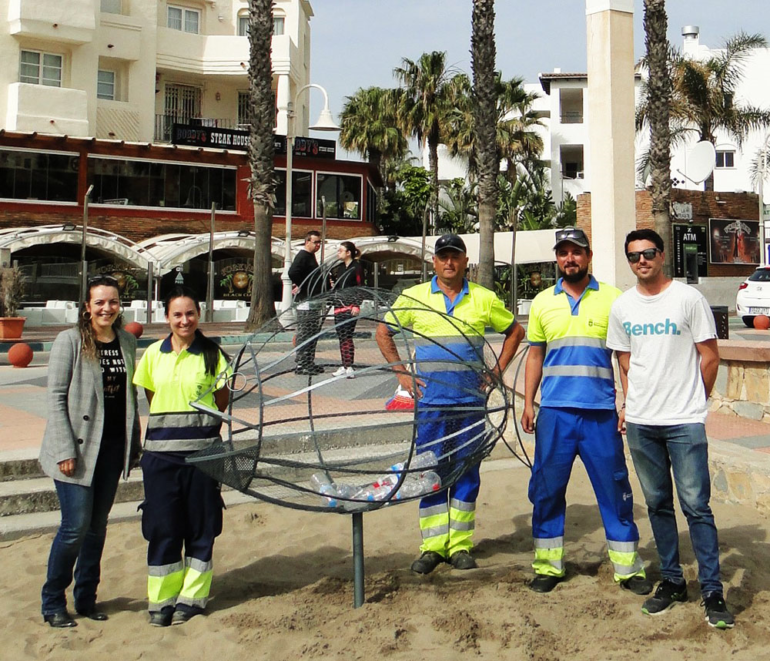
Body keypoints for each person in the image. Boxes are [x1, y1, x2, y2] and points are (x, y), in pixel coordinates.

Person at [607, 229, 734, 629]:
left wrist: (696, 402)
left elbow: (709, 357)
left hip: (684, 421)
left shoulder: (687, 299)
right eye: (633, 256)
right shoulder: (623, 306)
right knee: (658, 504)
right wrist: (630, 404)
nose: (641, 261)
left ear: (662, 256)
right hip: (643, 423)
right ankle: (673, 581)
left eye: (647, 253)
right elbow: (625, 361)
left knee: (696, 505)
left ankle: (712, 591)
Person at [376, 234, 524, 573]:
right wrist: (401, 375)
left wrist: (496, 372)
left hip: (470, 404)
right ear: (434, 262)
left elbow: (515, 332)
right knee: (430, 471)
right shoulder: (413, 297)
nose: (449, 263)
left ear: (465, 261)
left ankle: (459, 545)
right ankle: (432, 547)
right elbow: (383, 332)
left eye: (454, 256)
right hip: (431, 405)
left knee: (466, 471)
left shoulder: (484, 299)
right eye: (443, 256)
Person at [521, 227, 650, 595]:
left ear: (588, 256)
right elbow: (535, 355)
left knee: (615, 490)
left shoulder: (613, 299)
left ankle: (627, 568)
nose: (569, 259)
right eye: (563, 253)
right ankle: (548, 566)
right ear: (557, 259)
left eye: (576, 252)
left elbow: (625, 359)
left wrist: (629, 403)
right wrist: (529, 403)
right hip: (555, 415)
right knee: (547, 490)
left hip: (600, 416)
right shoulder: (542, 302)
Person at [39, 275, 141, 628]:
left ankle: (85, 598)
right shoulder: (69, 341)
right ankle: (53, 601)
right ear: (87, 307)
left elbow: (129, 397)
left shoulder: (126, 341)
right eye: (99, 302)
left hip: (112, 448)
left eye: (112, 302)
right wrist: (65, 448)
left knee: (97, 528)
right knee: (74, 527)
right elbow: (55, 398)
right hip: (77, 450)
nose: (106, 308)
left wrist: (134, 443)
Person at [133, 287, 230, 627]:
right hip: (161, 458)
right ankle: (162, 602)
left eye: (190, 314)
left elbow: (222, 400)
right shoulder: (152, 355)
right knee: (163, 527)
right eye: (177, 314)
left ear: (198, 316)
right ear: (167, 318)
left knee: (201, 527)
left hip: (203, 456)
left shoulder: (213, 355)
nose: (184, 320)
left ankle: (192, 600)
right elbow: (150, 393)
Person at [289, 230, 325, 375]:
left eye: (319, 242)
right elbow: (292, 273)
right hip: (306, 301)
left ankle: (309, 361)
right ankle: (302, 363)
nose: (318, 245)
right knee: (305, 331)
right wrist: (302, 285)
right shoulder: (303, 256)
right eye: (315, 242)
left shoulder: (310, 256)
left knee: (312, 331)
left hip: (313, 300)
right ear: (307, 242)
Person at [331, 241, 365, 378]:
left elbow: (361, 286)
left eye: (341, 250)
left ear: (348, 252)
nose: (338, 253)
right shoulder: (340, 268)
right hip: (338, 306)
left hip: (350, 307)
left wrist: (357, 304)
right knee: (341, 336)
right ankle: (344, 364)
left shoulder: (356, 267)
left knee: (347, 335)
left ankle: (349, 365)